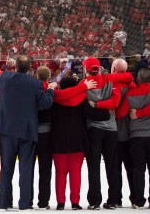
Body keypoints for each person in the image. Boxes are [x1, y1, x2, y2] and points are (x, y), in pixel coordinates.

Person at [0, 55, 55, 210]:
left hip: (7, 129)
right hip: (27, 131)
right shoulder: (36, 84)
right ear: (29, 69)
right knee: (26, 169)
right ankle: (25, 203)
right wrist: (51, 91)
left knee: (7, 168)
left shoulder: (5, 78)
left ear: (15, 66)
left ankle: (5, 203)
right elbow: (46, 104)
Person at [83, 57, 134, 210]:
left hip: (94, 129)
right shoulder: (110, 80)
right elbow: (115, 103)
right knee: (112, 166)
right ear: (99, 68)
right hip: (111, 128)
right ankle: (113, 200)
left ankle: (94, 201)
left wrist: (95, 104)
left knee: (94, 166)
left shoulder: (83, 85)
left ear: (86, 69)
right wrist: (104, 106)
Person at [51, 73, 104, 210]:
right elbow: (92, 115)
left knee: (60, 173)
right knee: (76, 172)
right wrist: (107, 112)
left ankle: (60, 202)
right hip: (78, 141)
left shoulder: (55, 100)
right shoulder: (82, 100)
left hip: (58, 141)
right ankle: (75, 202)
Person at [119, 68, 150, 208]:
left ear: (138, 80)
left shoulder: (130, 93)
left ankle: (139, 201)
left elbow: (122, 113)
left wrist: (138, 113)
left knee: (138, 169)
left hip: (136, 136)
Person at [112, 58, 136, 207]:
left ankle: (116, 199)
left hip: (114, 132)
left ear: (113, 69)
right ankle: (135, 197)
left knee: (115, 168)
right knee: (131, 168)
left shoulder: (111, 84)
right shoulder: (132, 85)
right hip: (132, 132)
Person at [35, 66, 54, 209]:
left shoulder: (30, 89)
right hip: (46, 134)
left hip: (30, 133)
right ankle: (43, 201)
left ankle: (26, 200)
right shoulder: (50, 90)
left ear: (36, 75)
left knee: (27, 169)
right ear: (49, 77)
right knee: (45, 169)